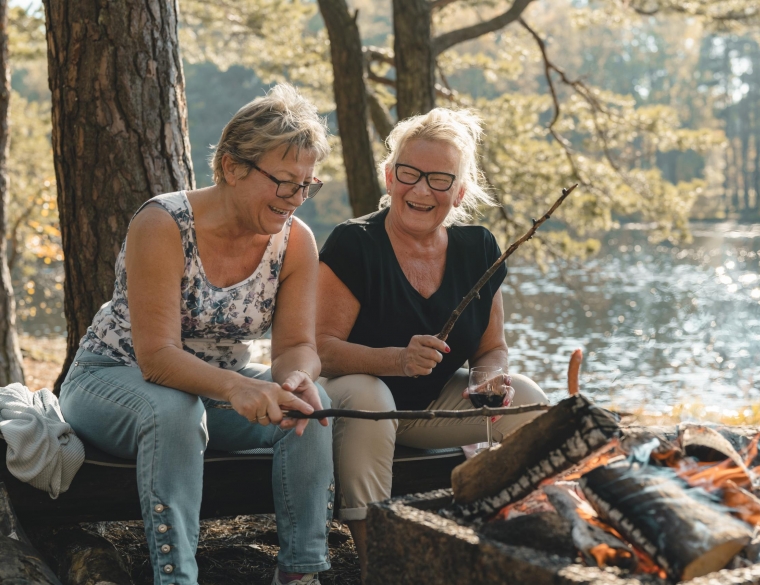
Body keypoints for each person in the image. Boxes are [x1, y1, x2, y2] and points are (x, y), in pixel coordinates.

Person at [59, 84, 334, 585]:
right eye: (283, 182)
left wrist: (295, 379)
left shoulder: (296, 242)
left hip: (211, 393)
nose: (295, 199)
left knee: (310, 410)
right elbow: (158, 358)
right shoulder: (163, 222)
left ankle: (300, 573)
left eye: (306, 185)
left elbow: (297, 346)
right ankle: (176, 578)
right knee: (175, 410)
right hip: (111, 381)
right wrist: (238, 387)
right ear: (232, 167)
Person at [316, 108, 549, 572]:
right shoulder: (352, 244)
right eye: (409, 173)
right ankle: (377, 562)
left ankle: (525, 541)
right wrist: (397, 360)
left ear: (459, 191)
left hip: (426, 411)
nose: (421, 190)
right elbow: (320, 348)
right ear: (389, 176)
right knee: (370, 393)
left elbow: (491, 347)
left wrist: (488, 380)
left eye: (440, 180)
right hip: (348, 403)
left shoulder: (478, 247)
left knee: (527, 399)